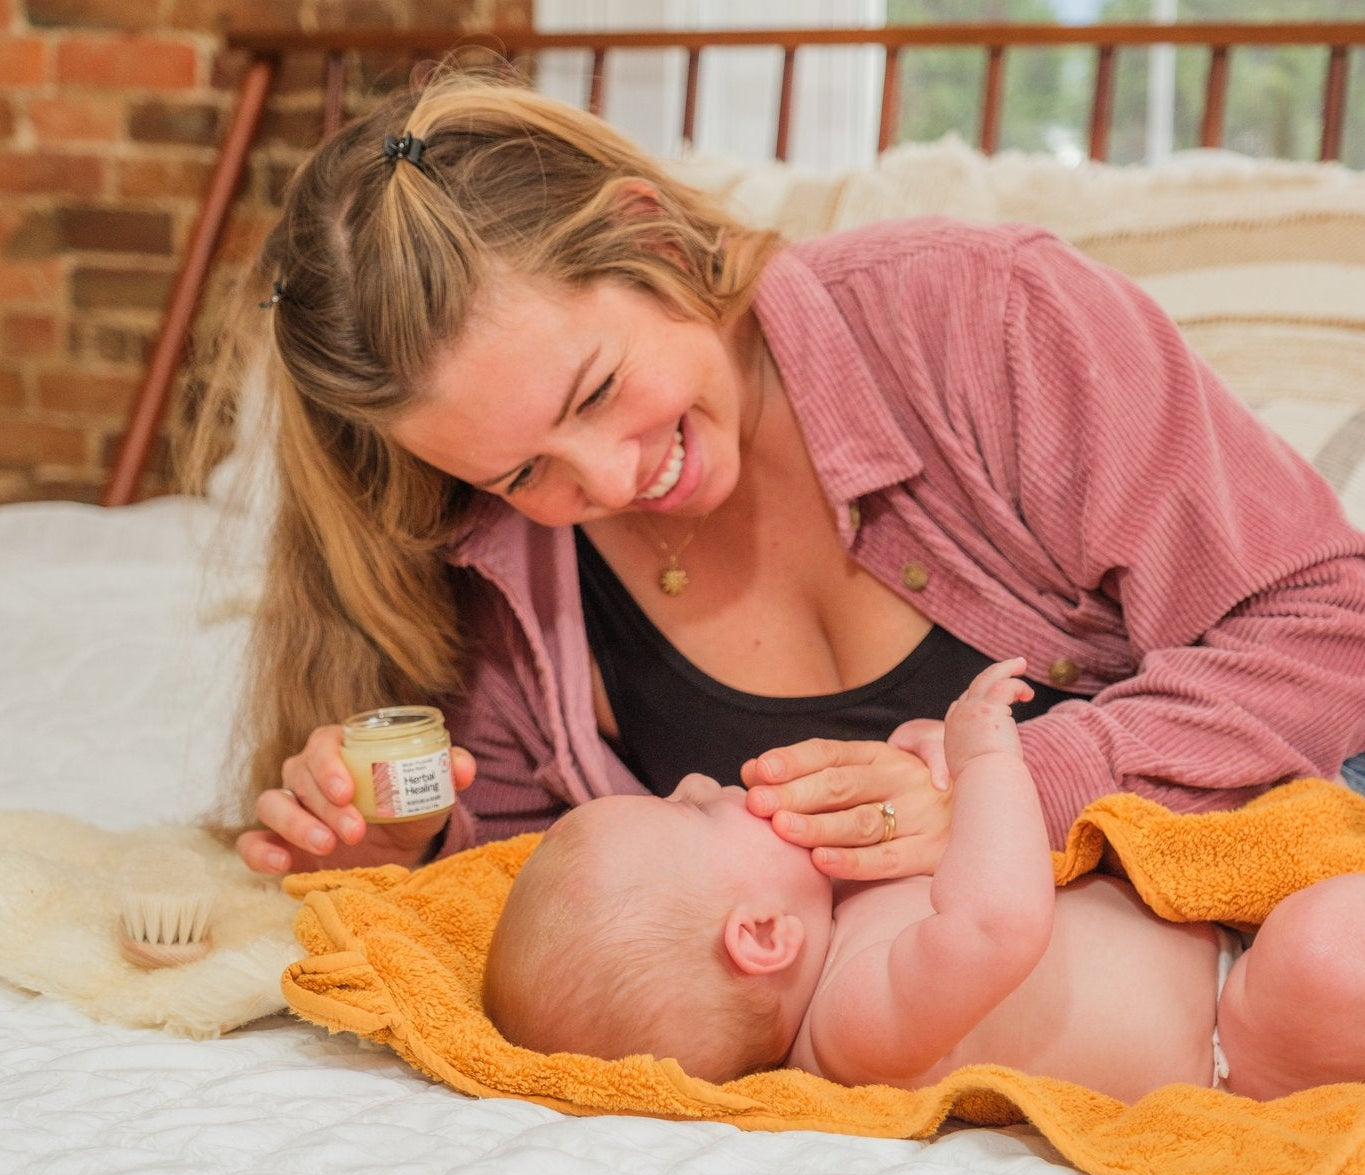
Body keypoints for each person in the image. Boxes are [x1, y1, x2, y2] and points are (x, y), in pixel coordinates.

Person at [206, 67, 1365, 881]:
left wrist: (1012, 785)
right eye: (522, 471)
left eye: (599, 391)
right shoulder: (504, 560)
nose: (605, 483)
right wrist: (399, 848)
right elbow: (531, 867)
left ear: (652, 235)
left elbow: (1329, 629)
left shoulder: (987, 318)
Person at [482, 659, 1365, 1104]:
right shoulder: (854, 1024)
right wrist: (985, 762)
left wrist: (925, 764)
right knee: (1330, 950)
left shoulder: (844, 917)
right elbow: (995, 923)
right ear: (757, 937)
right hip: (1231, 1035)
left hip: (1221, 938)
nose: (704, 782)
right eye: (694, 813)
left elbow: (962, 860)